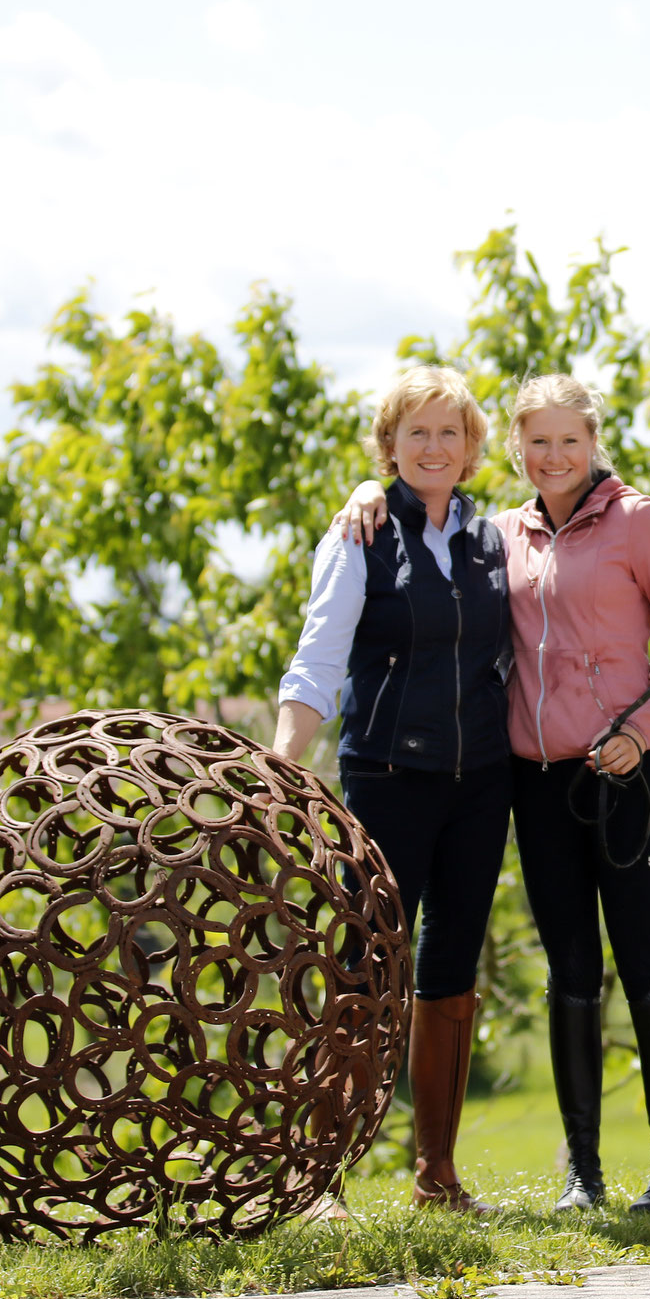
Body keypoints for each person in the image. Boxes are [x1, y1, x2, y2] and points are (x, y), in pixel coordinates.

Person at [339, 373, 650, 1213]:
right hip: (536, 785)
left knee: (643, 959)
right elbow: (421, 534)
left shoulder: (637, 522)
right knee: (570, 969)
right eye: (537, 442)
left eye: (569, 441)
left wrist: (641, 730)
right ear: (513, 448)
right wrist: (369, 490)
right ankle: (582, 1177)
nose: (554, 457)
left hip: (625, 777)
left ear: (593, 442)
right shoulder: (499, 536)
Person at [275, 365, 512, 1213]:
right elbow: (319, 659)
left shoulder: (495, 539)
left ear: (475, 449)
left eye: (452, 432)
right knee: (363, 970)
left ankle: (437, 1178)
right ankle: (320, 1181)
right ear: (389, 447)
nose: (435, 446)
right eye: (418, 432)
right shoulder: (361, 535)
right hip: (384, 780)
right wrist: (283, 764)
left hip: (482, 784)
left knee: (449, 974)